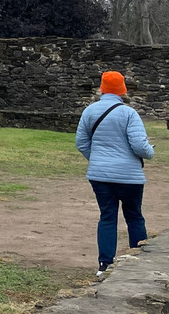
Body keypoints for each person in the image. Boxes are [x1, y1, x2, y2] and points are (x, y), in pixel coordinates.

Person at [75, 71, 154, 278]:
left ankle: (104, 264)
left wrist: (98, 159)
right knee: (134, 216)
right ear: (123, 89)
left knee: (107, 217)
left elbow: (81, 142)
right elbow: (139, 146)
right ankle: (139, 259)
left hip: (100, 175)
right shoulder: (129, 114)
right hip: (129, 176)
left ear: (101, 88)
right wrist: (150, 150)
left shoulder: (89, 111)